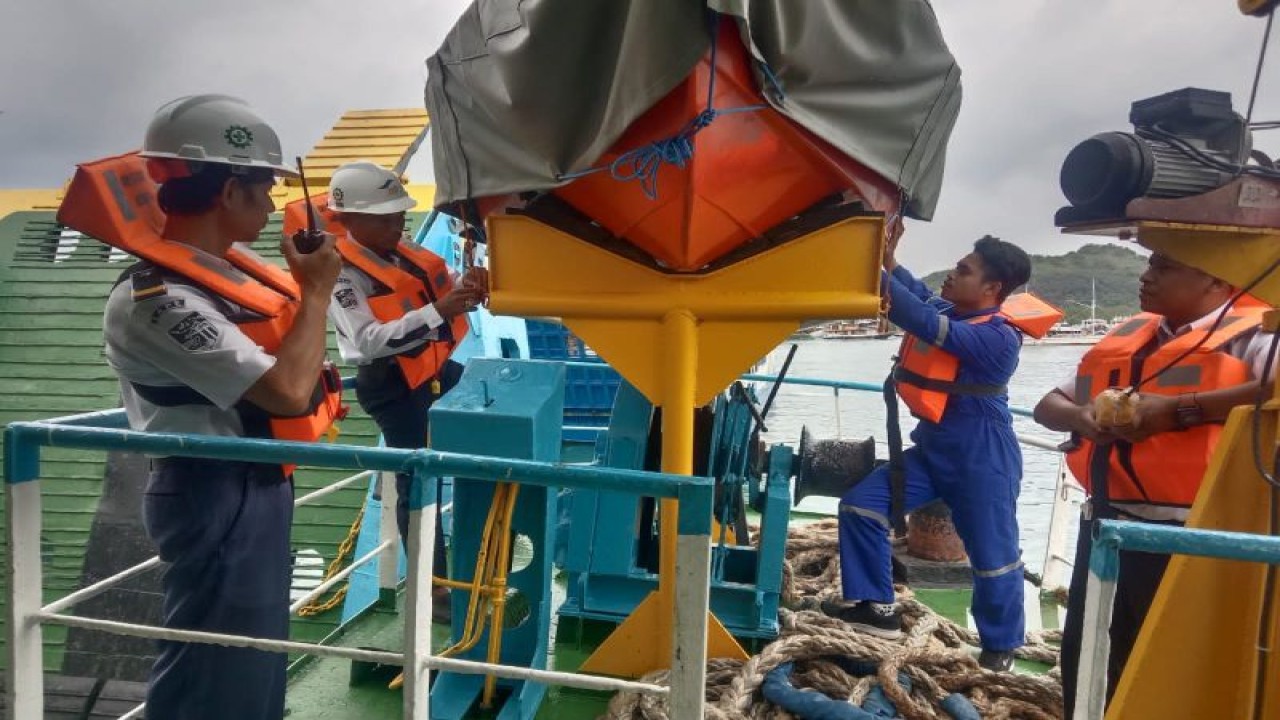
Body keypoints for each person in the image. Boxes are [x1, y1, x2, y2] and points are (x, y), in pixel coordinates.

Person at [93, 95, 343, 719]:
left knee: (254, 654)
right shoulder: (155, 298)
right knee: (214, 663)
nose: (271, 207)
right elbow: (286, 392)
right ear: (230, 190)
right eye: (264, 190)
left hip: (256, 480)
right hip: (210, 486)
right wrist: (316, 292)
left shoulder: (226, 270)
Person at [1033, 252, 1272, 714]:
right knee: (1089, 658)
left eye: (1163, 267)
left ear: (1216, 277)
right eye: (1149, 265)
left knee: (1173, 666)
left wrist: (1179, 410)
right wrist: (1081, 417)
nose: (1146, 276)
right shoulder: (1132, 339)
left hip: (1194, 535)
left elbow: (1273, 388)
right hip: (1107, 526)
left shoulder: (1254, 337)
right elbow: (1048, 404)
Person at [824, 233, 1039, 673]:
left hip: (984, 459)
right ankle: (877, 607)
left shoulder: (998, 338)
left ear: (992, 289)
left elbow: (918, 316)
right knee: (861, 507)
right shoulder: (952, 311)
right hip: (933, 451)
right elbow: (918, 294)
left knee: (993, 555)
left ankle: (1000, 646)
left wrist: (864, 264)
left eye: (963, 270)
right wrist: (887, 259)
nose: (951, 275)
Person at [319, 160, 488, 621]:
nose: (398, 224)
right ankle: (434, 590)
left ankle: (482, 563)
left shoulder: (401, 251)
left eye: (399, 215)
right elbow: (368, 340)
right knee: (417, 483)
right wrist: (440, 310)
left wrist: (467, 287)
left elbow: (439, 288)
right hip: (391, 384)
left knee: (494, 424)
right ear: (349, 219)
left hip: (434, 370)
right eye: (385, 218)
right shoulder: (340, 274)